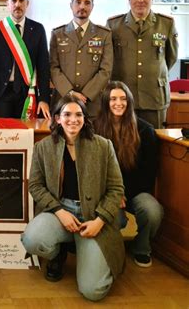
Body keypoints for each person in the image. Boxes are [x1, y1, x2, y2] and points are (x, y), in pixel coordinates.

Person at [21, 94, 124, 302]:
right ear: (57, 118)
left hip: (93, 217)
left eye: (78, 115)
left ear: (85, 119)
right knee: (32, 240)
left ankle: (86, 250)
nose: (73, 120)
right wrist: (59, 212)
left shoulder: (104, 146)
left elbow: (116, 189)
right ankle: (60, 250)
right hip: (59, 212)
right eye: (66, 114)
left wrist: (100, 220)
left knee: (93, 291)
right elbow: (35, 185)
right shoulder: (43, 147)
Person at [94, 81, 163, 268]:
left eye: (123, 99)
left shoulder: (145, 130)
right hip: (106, 193)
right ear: (106, 102)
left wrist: (123, 193)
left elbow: (149, 173)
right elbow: (93, 169)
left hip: (135, 191)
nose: (119, 103)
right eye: (113, 99)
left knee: (152, 210)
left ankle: (141, 248)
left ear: (130, 102)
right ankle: (111, 252)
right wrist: (114, 194)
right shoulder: (93, 129)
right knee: (115, 218)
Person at [106, 0, 178, 128]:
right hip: (122, 97)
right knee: (121, 143)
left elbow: (171, 57)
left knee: (154, 142)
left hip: (154, 95)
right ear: (129, 0)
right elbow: (107, 59)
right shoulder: (114, 25)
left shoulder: (166, 24)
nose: (140, 0)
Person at [0, 0, 51, 119]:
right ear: (7, 4)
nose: (18, 5)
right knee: (2, 136)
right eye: (13, 1)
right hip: (0, 94)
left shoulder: (38, 29)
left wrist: (44, 99)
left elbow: (43, 67)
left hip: (28, 94)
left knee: (26, 136)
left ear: (27, 4)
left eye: (22, 1)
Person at [50, 0, 113, 119]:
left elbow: (106, 69)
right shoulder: (58, 34)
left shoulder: (104, 34)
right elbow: (53, 68)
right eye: (78, 2)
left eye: (87, 3)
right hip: (63, 101)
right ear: (71, 5)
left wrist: (86, 94)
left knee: (93, 139)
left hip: (92, 103)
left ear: (92, 7)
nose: (82, 6)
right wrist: (70, 93)